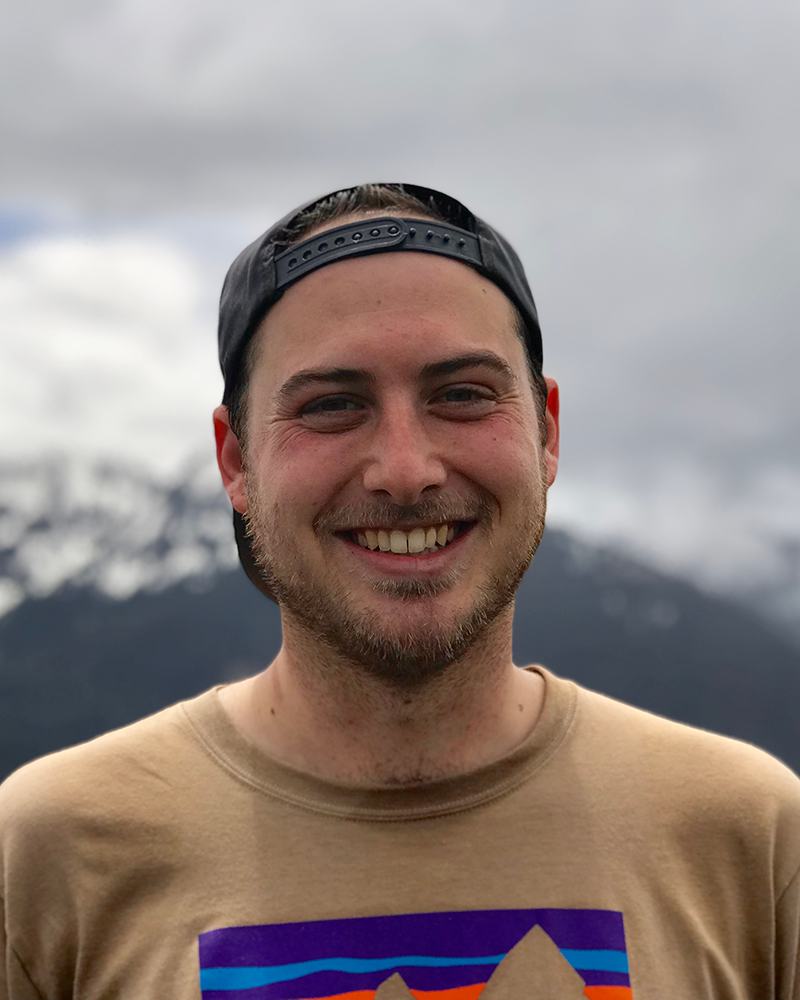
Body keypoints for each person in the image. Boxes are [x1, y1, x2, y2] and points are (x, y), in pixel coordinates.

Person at [1, 183, 798, 1000]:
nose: (407, 471)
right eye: (333, 405)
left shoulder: (752, 838)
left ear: (547, 431)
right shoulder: (49, 853)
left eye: (461, 395)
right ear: (235, 461)